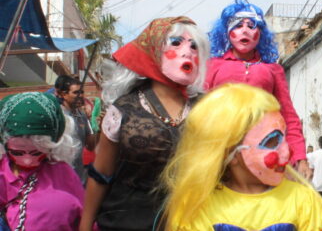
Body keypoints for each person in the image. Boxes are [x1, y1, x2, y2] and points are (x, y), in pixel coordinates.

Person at [80, 16, 210, 231]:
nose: (187, 52)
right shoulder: (123, 109)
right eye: (176, 43)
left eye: (194, 46)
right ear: (153, 50)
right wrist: (84, 226)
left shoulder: (208, 109)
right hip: (125, 220)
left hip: (191, 221)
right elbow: (100, 174)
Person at [160, 83, 322, 230]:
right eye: (272, 141)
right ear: (230, 152)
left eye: (285, 138)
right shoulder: (197, 207)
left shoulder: (303, 201)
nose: (286, 152)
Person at [205, 0, 309, 176]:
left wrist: (300, 157)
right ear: (227, 32)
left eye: (252, 25)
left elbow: (288, 115)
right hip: (219, 151)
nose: (244, 30)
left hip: (263, 149)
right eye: (238, 25)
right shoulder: (213, 66)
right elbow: (201, 110)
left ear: (260, 33)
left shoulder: (272, 69)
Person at [0, 92, 84, 230]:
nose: (27, 160)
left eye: (36, 152)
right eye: (17, 152)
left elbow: (86, 219)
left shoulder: (62, 173)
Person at [54, 75, 95, 182]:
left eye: (82, 92)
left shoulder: (82, 115)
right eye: (76, 92)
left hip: (79, 177)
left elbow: (91, 146)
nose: (80, 96)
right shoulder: (56, 115)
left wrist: (99, 127)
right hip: (59, 177)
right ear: (63, 94)